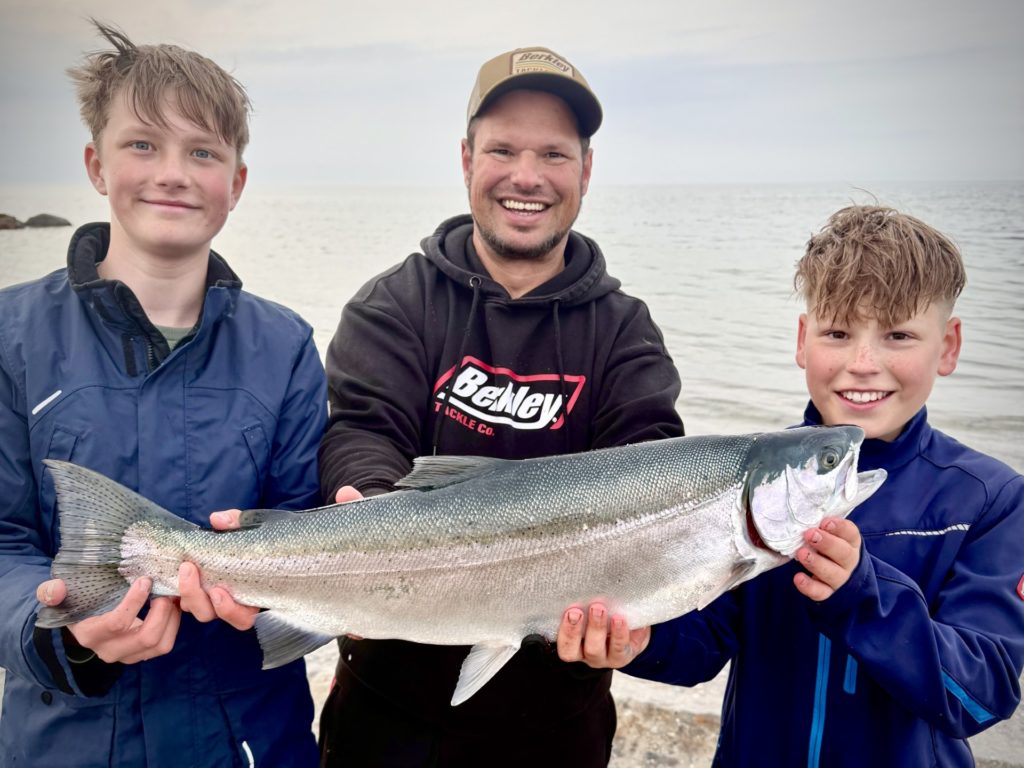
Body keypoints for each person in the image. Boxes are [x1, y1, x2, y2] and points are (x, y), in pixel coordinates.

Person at [314, 46, 684, 766]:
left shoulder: (624, 332)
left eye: (553, 153)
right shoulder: (395, 304)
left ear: (586, 170)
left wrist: (634, 611)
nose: (527, 176)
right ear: (465, 160)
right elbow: (363, 428)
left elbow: (652, 469)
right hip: (386, 711)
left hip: (558, 723)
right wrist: (369, 516)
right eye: (503, 149)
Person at [556, 205, 1024, 766]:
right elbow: (702, 645)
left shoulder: (987, 499)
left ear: (946, 346)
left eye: (899, 334)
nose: (863, 362)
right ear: (803, 340)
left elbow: (980, 694)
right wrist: (640, 641)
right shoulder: (755, 483)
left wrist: (861, 596)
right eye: (838, 332)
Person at [0, 21, 325, 767]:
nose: (173, 173)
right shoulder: (11, 336)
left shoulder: (287, 347)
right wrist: (60, 635)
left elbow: (303, 525)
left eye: (203, 152)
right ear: (95, 163)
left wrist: (285, 585)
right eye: (143, 144)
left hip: (251, 742)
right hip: (65, 741)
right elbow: (4, 540)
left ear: (236, 183)